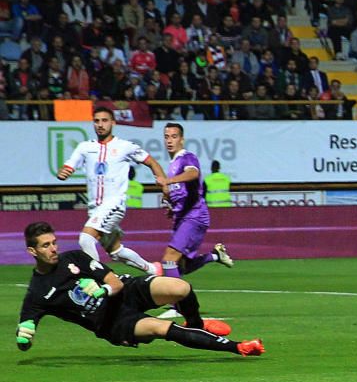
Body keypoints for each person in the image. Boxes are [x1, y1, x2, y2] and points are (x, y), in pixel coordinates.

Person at [15, 222, 263, 356]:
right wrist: (25, 338)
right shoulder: (37, 294)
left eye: (54, 242)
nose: (53, 249)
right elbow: (26, 333)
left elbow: (115, 283)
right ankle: (237, 347)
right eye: (46, 245)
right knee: (161, 327)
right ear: (32, 251)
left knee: (181, 287)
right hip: (111, 322)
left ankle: (196, 326)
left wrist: (101, 291)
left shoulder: (75, 258)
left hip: (126, 292)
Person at [56, 107, 166, 275]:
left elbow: (151, 161)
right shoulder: (85, 147)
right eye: (97, 121)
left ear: (113, 123)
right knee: (115, 251)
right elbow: (69, 165)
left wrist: (164, 184)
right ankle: (153, 269)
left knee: (86, 239)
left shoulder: (124, 146)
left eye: (104, 120)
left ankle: (100, 280)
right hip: (95, 209)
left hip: (113, 204)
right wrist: (63, 172)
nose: (100, 125)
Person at [158, 123, 234, 283]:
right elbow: (182, 192)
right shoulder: (173, 164)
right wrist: (171, 204)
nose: (169, 141)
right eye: (166, 137)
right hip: (182, 217)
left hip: (194, 215)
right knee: (181, 267)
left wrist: (168, 181)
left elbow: (193, 173)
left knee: (169, 259)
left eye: (174, 136)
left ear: (182, 140)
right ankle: (215, 255)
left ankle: (176, 306)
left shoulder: (187, 157)